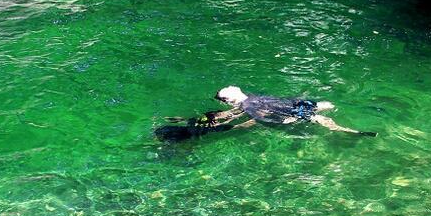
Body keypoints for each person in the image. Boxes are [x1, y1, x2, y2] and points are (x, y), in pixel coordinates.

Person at [155, 86, 376, 141]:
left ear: (229, 101)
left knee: (320, 121)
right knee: (324, 107)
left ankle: (352, 131)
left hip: (289, 116)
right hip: (295, 103)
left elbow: (235, 118)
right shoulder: (255, 96)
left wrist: (240, 126)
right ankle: (362, 112)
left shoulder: (245, 108)